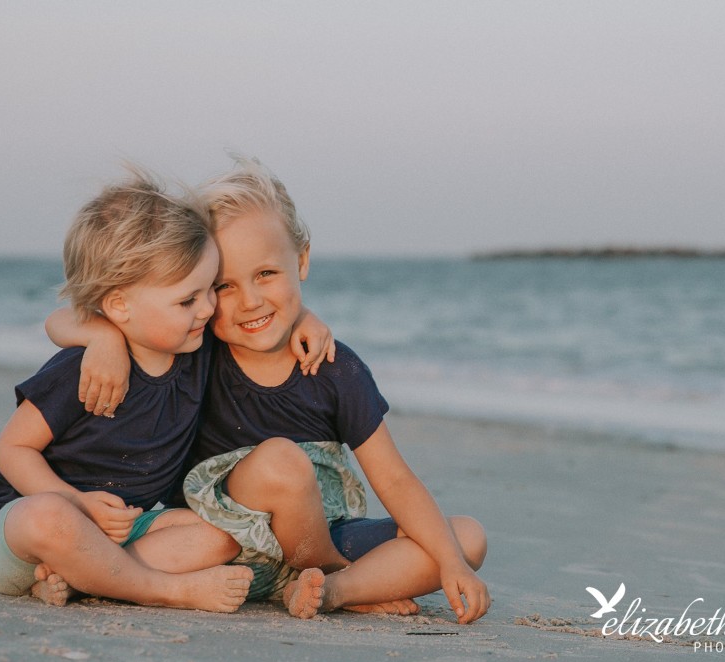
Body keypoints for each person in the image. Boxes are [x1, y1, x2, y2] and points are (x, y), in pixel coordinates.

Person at [56, 158, 490, 624]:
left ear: (300, 260)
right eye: (223, 285)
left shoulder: (335, 368)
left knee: (465, 539)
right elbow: (64, 318)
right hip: (222, 548)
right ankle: (332, 573)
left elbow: (395, 481)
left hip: (325, 537)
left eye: (266, 274)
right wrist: (103, 338)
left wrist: (450, 563)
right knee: (281, 461)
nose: (250, 300)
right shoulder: (195, 351)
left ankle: (334, 590)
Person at [0, 168, 332, 612]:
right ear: (119, 306)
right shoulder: (84, 370)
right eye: (188, 299)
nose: (207, 308)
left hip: (127, 528)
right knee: (51, 519)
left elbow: (261, 309)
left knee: (220, 537)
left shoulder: (194, 347)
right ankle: (161, 589)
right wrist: (75, 501)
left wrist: (304, 317)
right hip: (22, 531)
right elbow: (12, 451)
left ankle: (88, 577)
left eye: (208, 290)